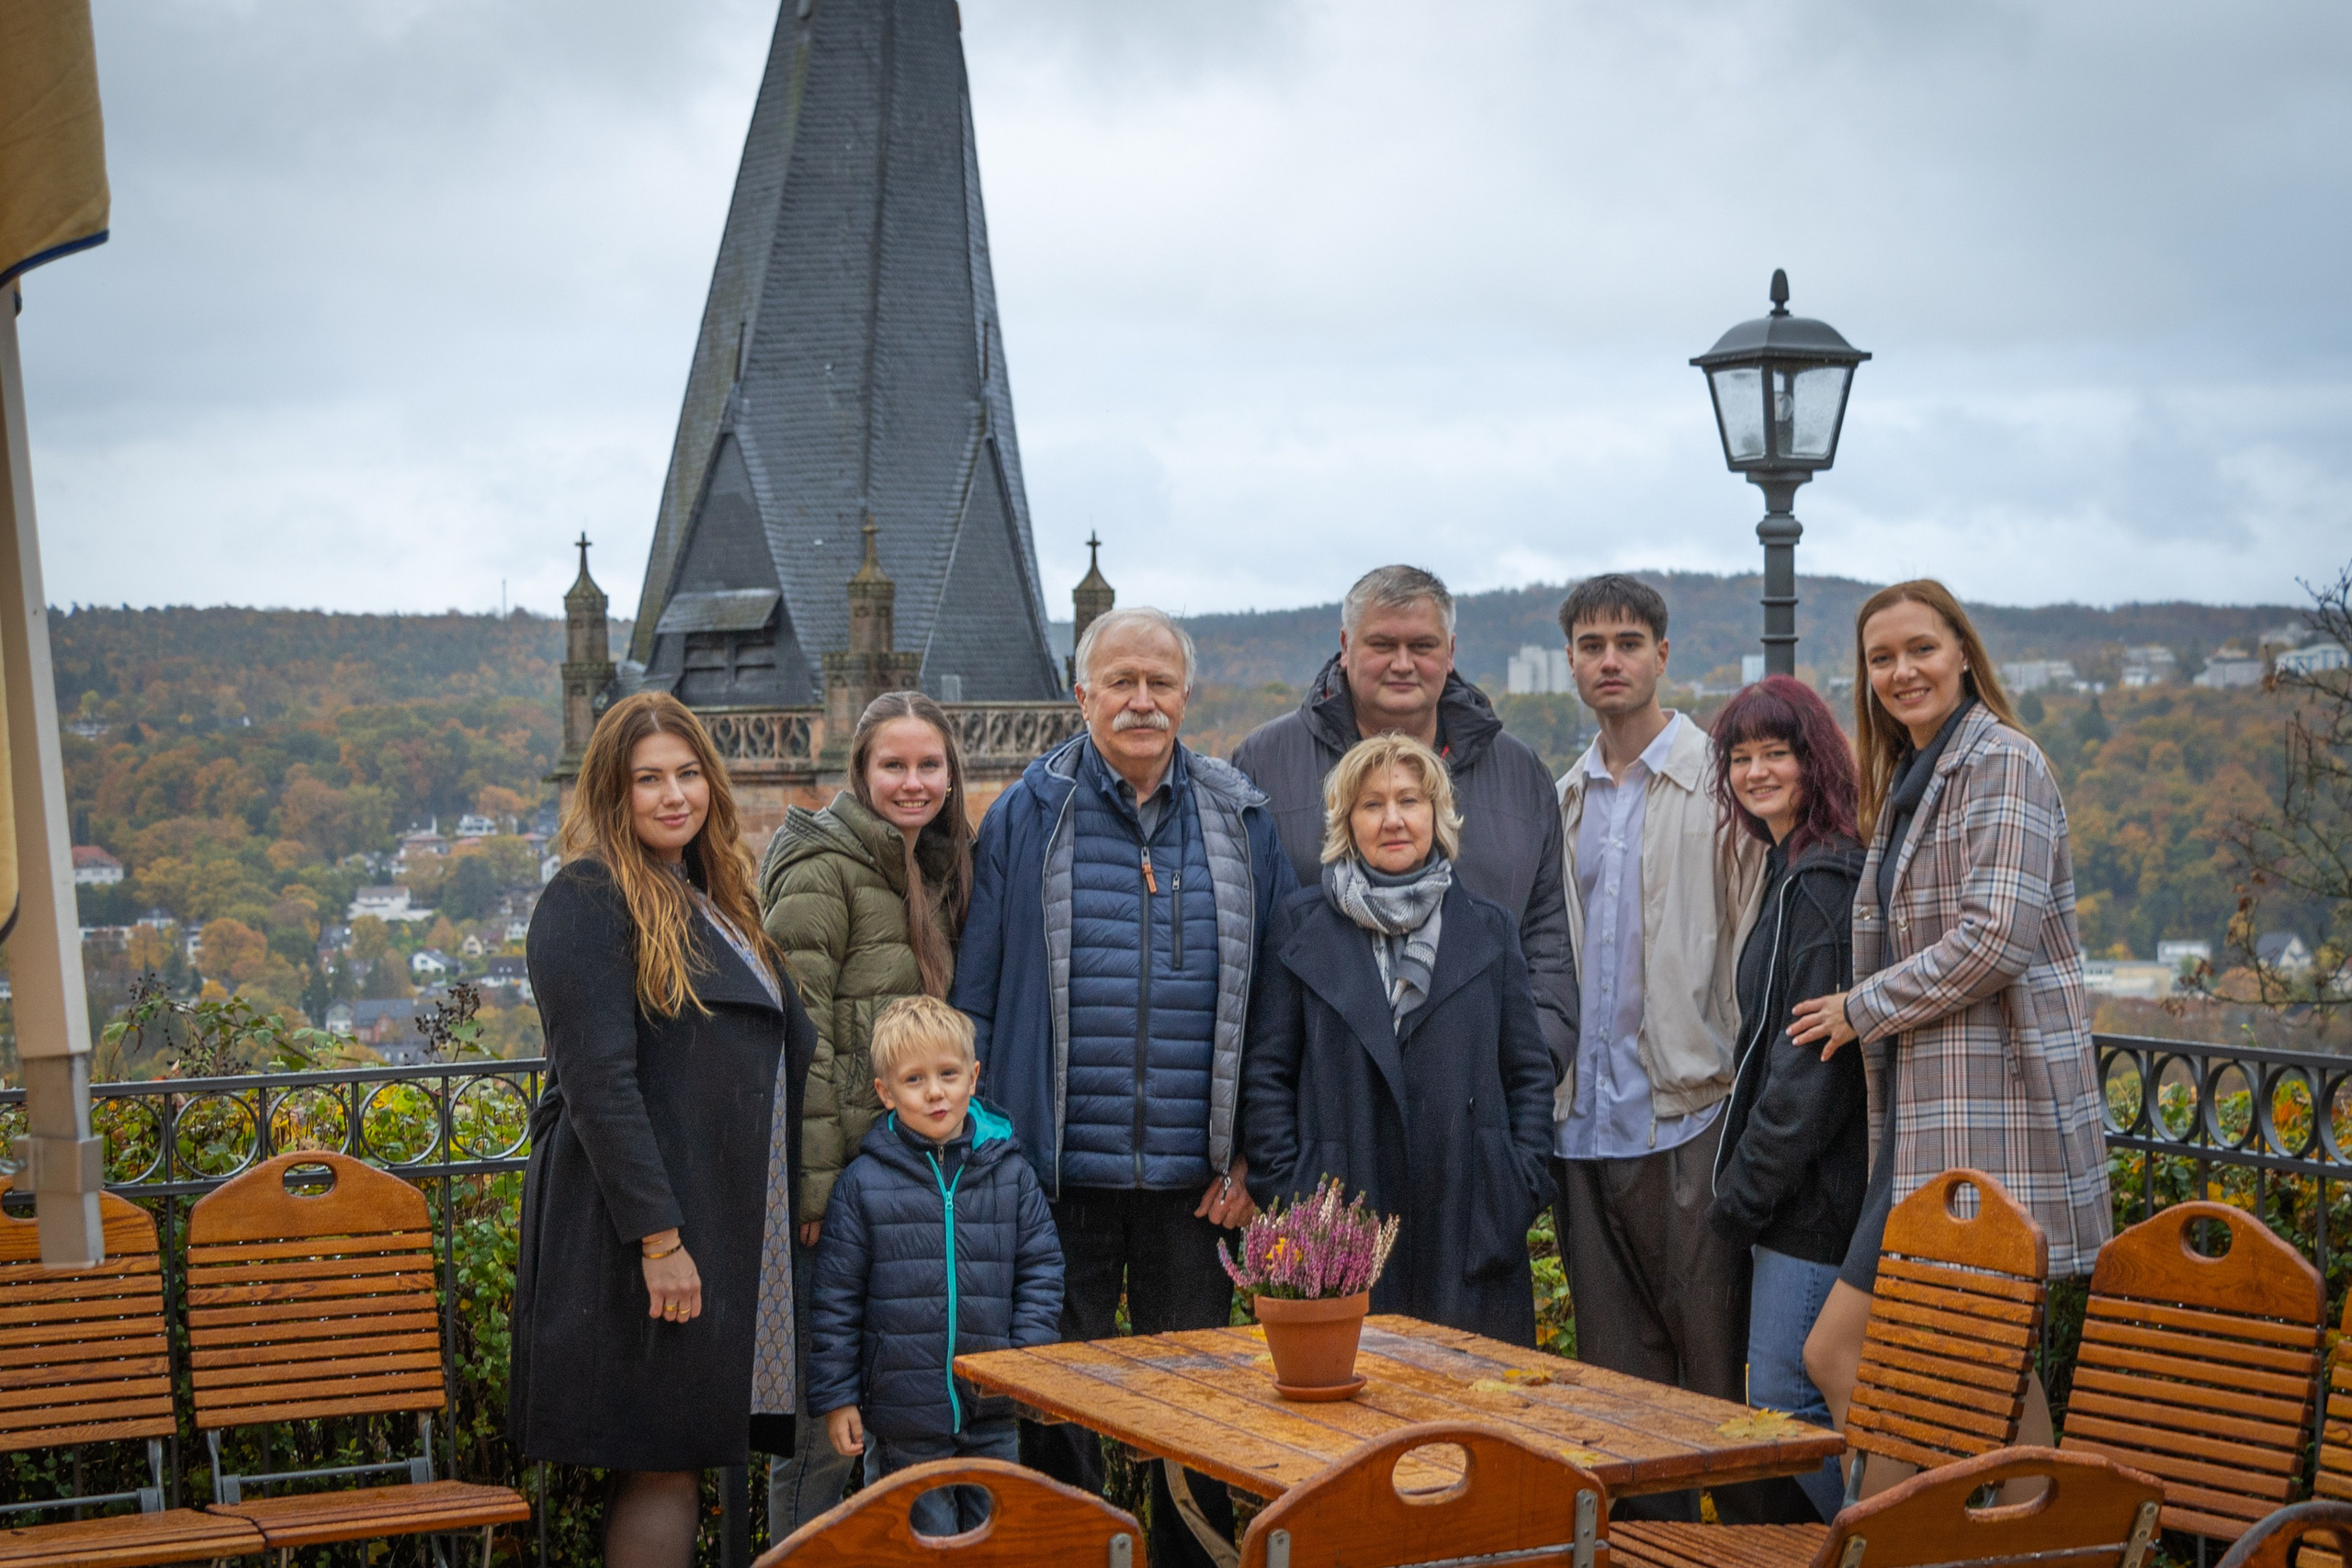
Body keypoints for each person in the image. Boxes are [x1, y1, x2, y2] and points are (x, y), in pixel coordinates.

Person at [951, 604, 1295, 1568]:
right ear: (1083, 695)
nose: (1141, 701)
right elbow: (978, 998)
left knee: (1196, 1408)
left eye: (1159, 683)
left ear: (1185, 695)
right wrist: (994, 1154)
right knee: (1059, 1404)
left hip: (1198, 1186)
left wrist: (1252, 1159)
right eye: (1121, 682)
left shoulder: (1240, 816)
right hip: (1057, 1179)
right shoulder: (1029, 812)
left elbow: (1275, 1001)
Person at [1792, 580, 2110, 1479]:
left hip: (1986, 1114)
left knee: (1891, 1356)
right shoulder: (1911, 776)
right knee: (1961, 1370)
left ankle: (1958, 1532)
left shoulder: (2003, 761)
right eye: (1881, 658)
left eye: (1921, 649)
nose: (1902, 671)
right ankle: (2012, 1532)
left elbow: (1995, 939)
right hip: (1924, 1121)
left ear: (1963, 653)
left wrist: (1860, 1007)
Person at [511, 692, 815, 1568]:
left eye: (687, 773)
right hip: (643, 1234)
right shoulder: (587, 898)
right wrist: (659, 1239)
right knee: (661, 1462)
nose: (674, 794)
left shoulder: (713, 896)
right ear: (614, 792)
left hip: (714, 1219)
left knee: (678, 1456)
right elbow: (598, 1084)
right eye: (648, 779)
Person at [1550, 573, 1767, 1524]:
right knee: (1615, 1391)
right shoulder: (1563, 798)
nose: (1610, 660)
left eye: (1628, 643)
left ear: (1662, 656)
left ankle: (1750, 1549)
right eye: (1591, 645)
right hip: (1583, 1127)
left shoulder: (1723, 787)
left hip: (1692, 1116)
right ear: (1570, 662)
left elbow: (1755, 947)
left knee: (1716, 1379)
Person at [1241, 734, 1556, 1344]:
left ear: (1436, 815)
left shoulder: (1490, 928)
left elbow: (1528, 1074)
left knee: (1470, 1395)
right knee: (1350, 1393)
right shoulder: (1300, 927)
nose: (1392, 819)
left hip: (1467, 1219)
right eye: (1372, 804)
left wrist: (1511, 1187)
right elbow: (1267, 1076)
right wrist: (1294, 1191)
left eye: (1409, 800)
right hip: (1339, 1224)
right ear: (1346, 822)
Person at [756, 691, 973, 1530]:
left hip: (897, 1182)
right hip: (835, 1194)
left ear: (951, 776)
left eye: (928, 765)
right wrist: (812, 1191)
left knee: (893, 1413)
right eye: (894, 764)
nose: (913, 782)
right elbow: (795, 1036)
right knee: (819, 1427)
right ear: (860, 771)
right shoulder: (824, 867)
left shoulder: (933, 865)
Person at [1232, 565, 1578, 1078]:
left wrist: (1530, 1067)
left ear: (1450, 651)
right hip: (1321, 1097)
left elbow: (1549, 941)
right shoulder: (1265, 764)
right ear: (1345, 647)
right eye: (1382, 645)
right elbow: (1239, 942)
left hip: (1481, 1094)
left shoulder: (1521, 775)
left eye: (1422, 646)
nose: (1402, 664)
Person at [1703, 675, 1868, 1524]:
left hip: (1813, 1200)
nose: (1756, 771)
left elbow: (1809, 1070)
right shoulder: (1789, 868)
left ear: (1816, 761)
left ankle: (1889, 1541)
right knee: (1791, 1398)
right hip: (1798, 1194)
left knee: (1787, 1398)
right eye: (1741, 757)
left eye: (1777, 752)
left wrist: (1742, 1196)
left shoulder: (1823, 883)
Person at [807, 996, 1064, 1538]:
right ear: (885, 1092)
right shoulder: (863, 1185)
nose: (935, 1092)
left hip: (992, 1409)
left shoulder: (1011, 1174)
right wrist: (838, 1398)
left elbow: (1041, 1270)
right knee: (924, 1546)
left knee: (995, 1543)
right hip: (903, 1420)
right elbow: (835, 1301)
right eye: (914, 1079)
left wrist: (1024, 1361)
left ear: (973, 1076)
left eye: (948, 1074)